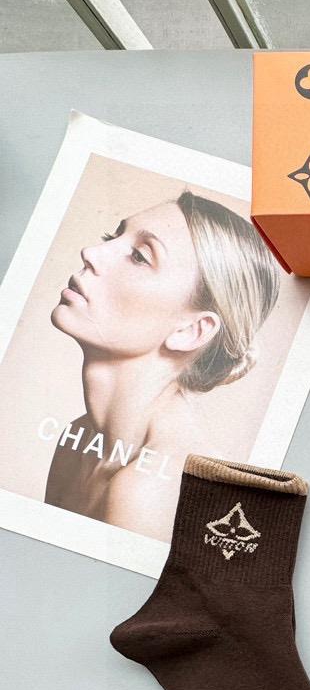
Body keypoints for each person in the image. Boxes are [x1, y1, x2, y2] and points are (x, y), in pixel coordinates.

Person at [45, 190, 280, 539]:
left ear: (190, 331)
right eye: (112, 237)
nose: (91, 253)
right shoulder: (77, 441)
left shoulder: (150, 490)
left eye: (139, 256)